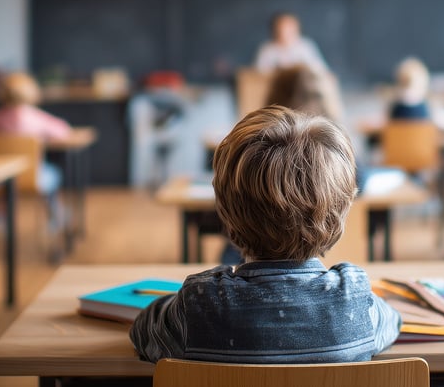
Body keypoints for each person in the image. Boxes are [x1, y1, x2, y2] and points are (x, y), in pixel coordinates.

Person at [131, 105, 401, 363]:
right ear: (340, 213)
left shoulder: (199, 305)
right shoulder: (354, 299)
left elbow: (142, 330)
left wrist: (179, 301)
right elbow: (394, 323)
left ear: (225, 212)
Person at [0, 71, 71, 202]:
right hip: (32, 176)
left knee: (1, 189)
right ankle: (55, 214)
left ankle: (0, 217)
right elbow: (63, 130)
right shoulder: (35, 116)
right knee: (54, 173)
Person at [254, 13, 328, 73]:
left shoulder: (306, 46)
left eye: (289, 27)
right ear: (275, 29)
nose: (285, 31)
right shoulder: (267, 49)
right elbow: (258, 74)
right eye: (282, 27)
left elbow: (321, 71)